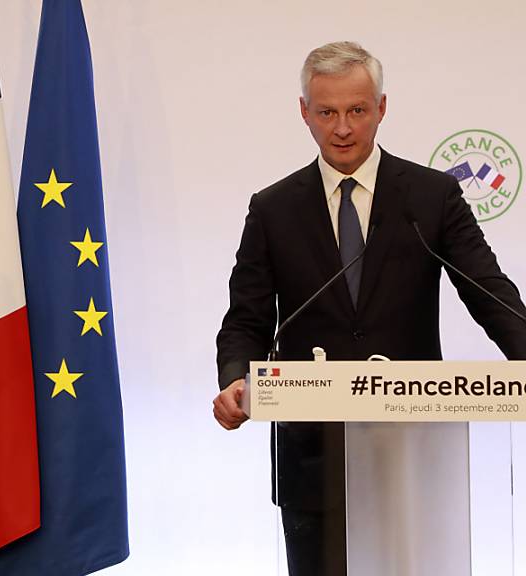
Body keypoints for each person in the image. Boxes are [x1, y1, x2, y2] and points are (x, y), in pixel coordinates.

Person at [213, 42, 526, 576]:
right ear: (304, 112)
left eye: (357, 110)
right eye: (327, 111)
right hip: (313, 451)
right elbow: (247, 319)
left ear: (381, 108)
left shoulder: (432, 196)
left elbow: (489, 292)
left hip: (411, 441)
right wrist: (237, 379)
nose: (342, 128)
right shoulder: (273, 208)